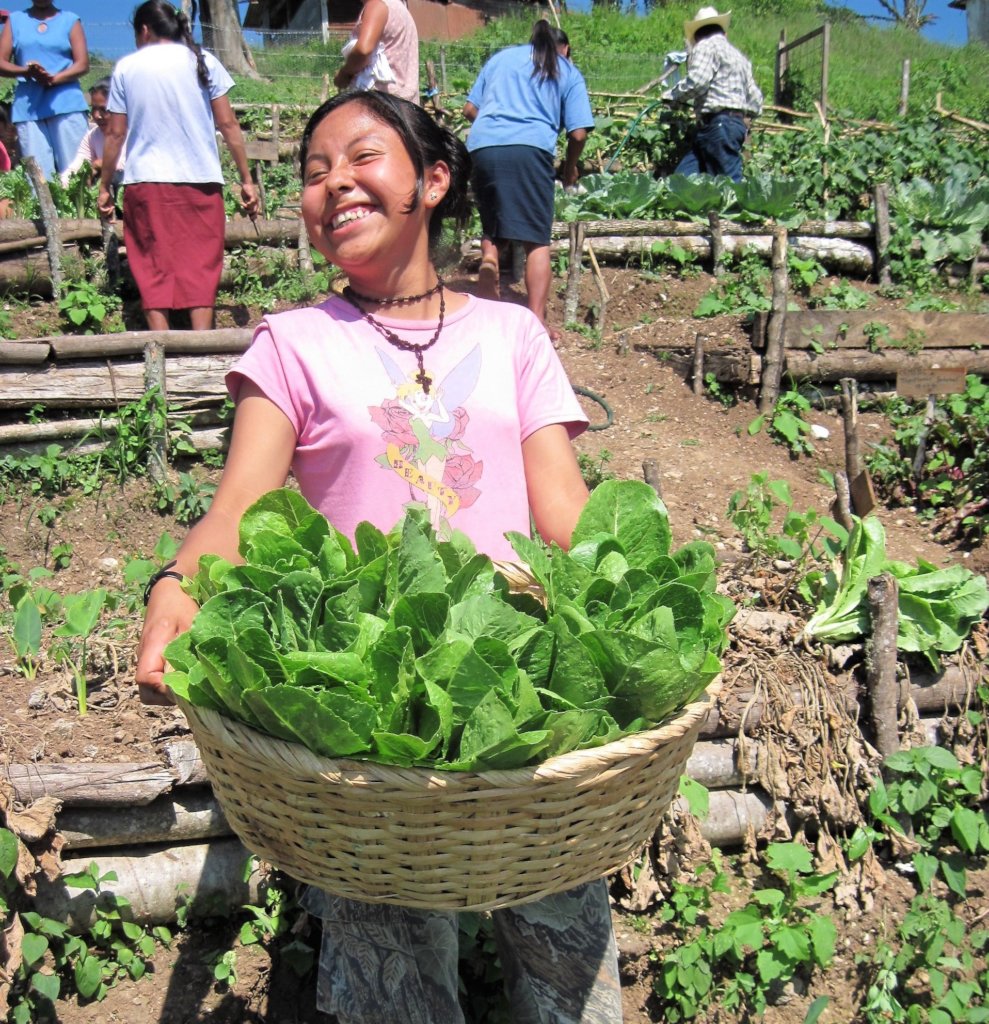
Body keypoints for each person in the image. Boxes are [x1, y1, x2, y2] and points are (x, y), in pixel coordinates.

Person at [135, 89, 624, 1024]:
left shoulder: (510, 332)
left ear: (433, 181)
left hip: (522, 685)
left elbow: (566, 513)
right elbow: (236, 507)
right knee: (391, 972)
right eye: (314, 173)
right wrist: (175, 587)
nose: (332, 185)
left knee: (568, 964)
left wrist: (642, 598)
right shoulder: (296, 342)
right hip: (372, 709)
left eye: (361, 159)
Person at [96, 1, 259, 332]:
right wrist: (246, 179)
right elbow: (228, 125)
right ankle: (202, 348)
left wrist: (104, 184)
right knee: (200, 264)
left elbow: (114, 133)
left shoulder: (127, 67)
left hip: (147, 181)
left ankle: (160, 349)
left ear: (144, 30)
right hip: (201, 180)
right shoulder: (204, 61)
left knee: (151, 263)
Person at [463, 20, 593, 339]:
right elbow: (578, 133)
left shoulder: (501, 59)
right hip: (529, 149)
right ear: (566, 49)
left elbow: (469, 109)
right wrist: (569, 168)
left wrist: (498, 127)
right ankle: (535, 325)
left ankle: (489, 273)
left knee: (492, 230)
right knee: (536, 241)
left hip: (481, 146)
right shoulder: (566, 69)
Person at [662, 5, 763, 183]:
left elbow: (698, 81)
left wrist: (673, 96)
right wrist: (741, 118)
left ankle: (737, 210)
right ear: (723, 32)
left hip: (718, 126)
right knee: (681, 182)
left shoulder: (705, 46)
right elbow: (756, 101)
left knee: (729, 187)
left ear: (698, 34)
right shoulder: (739, 57)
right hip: (724, 128)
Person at [0, 0, 89, 182]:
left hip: (67, 106)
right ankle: (44, 212)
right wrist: (26, 72)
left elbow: (82, 64)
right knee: (38, 179)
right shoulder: (15, 21)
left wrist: (54, 79)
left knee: (76, 174)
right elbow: (1, 62)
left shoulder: (70, 20)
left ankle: (81, 211)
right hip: (28, 109)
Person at [334, 0, 419, 104]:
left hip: (379, 104)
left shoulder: (377, 6)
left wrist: (344, 73)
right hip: (403, 101)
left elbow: (363, 50)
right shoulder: (400, 9)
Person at [60, 78, 126, 188]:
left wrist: (100, 164)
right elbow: (77, 166)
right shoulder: (93, 136)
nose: (96, 116)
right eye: (93, 109)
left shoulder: (136, 135)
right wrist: (65, 182)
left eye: (103, 110)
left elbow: (133, 166)